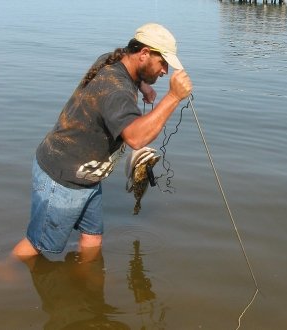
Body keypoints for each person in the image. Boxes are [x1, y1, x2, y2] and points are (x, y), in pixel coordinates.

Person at [12, 23, 193, 259]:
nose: (165, 71)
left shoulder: (114, 62)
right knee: (36, 246)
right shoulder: (115, 90)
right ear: (145, 54)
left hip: (87, 177)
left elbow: (115, 64)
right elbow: (137, 138)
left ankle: (86, 287)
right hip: (63, 180)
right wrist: (173, 97)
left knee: (92, 238)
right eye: (163, 63)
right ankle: (3, 272)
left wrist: (143, 85)